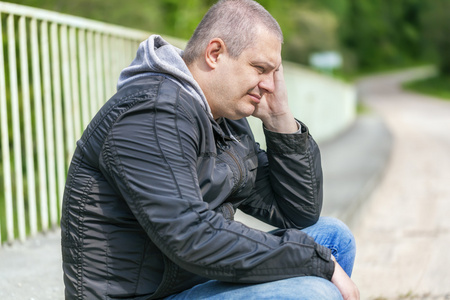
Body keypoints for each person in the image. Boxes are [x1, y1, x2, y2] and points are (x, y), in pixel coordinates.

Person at [61, 0, 359, 299]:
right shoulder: (150, 113)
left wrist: (279, 118)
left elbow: (298, 214)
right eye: (259, 68)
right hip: (148, 295)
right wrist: (313, 262)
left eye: (273, 73)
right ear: (215, 53)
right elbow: (189, 235)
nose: (269, 85)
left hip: (191, 282)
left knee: (333, 238)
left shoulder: (223, 118)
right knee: (311, 290)